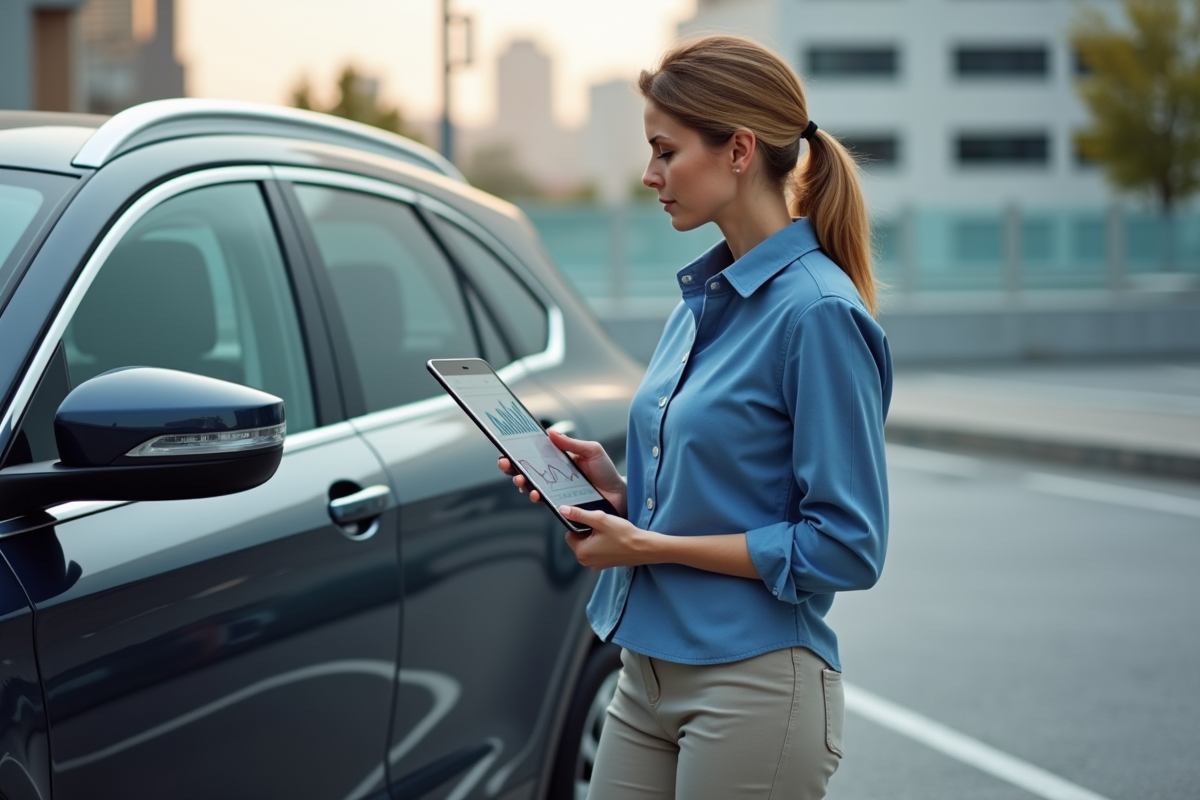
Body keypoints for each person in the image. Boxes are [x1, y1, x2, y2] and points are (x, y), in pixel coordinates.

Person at [500, 34, 891, 800]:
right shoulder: (701, 302)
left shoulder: (818, 315)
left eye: (665, 151)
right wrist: (612, 491)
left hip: (752, 686)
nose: (649, 175)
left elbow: (848, 546)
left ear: (739, 150)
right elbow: (725, 491)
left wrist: (647, 544)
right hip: (644, 675)